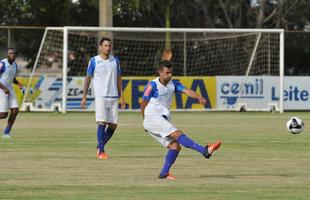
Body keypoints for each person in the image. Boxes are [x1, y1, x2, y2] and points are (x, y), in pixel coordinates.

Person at [141, 60, 221, 179]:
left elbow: (188, 91)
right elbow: (143, 103)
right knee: (178, 134)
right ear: (160, 72)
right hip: (152, 117)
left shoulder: (174, 84)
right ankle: (204, 150)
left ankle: (164, 173)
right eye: (167, 73)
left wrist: (198, 97)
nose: (170, 75)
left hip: (158, 120)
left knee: (175, 146)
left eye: (171, 72)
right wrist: (145, 121)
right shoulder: (152, 85)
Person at [81, 37, 126, 159]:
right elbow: (88, 78)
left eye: (109, 46)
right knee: (102, 122)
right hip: (101, 96)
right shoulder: (94, 61)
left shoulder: (115, 61)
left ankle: (99, 145)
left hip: (113, 96)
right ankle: (101, 151)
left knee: (113, 125)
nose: (108, 48)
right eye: (105, 45)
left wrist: (122, 96)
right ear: (100, 47)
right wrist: (84, 96)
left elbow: (118, 79)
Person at [0, 48, 23, 138]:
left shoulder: (15, 65)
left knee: (15, 111)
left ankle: (6, 133)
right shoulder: (2, 64)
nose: (13, 55)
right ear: (7, 54)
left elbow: (11, 78)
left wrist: (18, 83)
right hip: (1, 90)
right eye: (10, 53)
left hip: (10, 90)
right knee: (3, 115)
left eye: (14, 53)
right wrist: (4, 88)